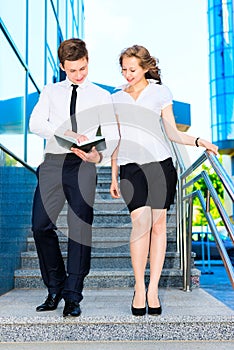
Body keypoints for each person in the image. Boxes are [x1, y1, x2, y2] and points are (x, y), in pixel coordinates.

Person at [110, 45, 218, 316]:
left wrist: (198, 140)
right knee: (140, 225)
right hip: (130, 166)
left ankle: (153, 289)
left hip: (160, 164)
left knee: (158, 227)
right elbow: (115, 138)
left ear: (146, 67)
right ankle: (138, 287)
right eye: (123, 69)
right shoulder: (115, 98)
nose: (127, 74)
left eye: (132, 69)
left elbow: (170, 131)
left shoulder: (160, 92)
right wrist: (113, 174)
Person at [29, 38, 119, 317]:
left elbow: (113, 134)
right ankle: (55, 287)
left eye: (82, 68)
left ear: (88, 60)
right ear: (62, 67)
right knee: (40, 225)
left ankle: (72, 295)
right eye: (72, 71)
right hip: (54, 162)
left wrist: (98, 157)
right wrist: (66, 133)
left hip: (83, 166)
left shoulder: (101, 96)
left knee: (80, 229)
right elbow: (35, 123)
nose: (78, 75)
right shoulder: (50, 92)